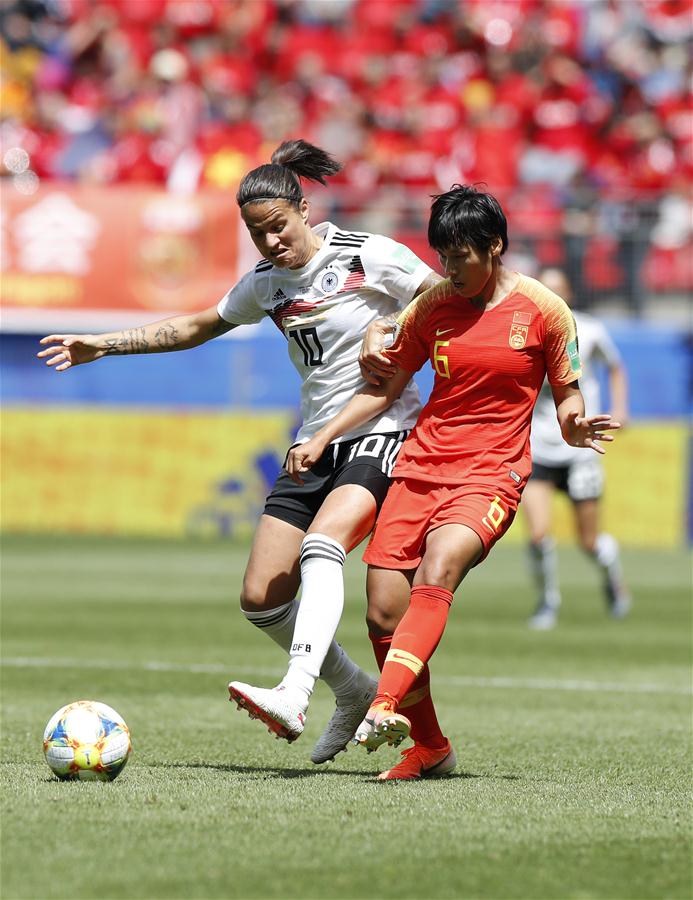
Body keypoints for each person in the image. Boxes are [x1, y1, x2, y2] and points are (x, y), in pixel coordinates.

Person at [37, 139, 442, 764]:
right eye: (258, 234)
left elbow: (442, 296)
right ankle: (352, 688)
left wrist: (389, 325)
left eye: (278, 226)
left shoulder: (369, 255)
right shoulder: (266, 284)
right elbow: (197, 326)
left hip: (383, 428)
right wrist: (105, 344)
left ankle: (295, 691)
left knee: (323, 545)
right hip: (315, 440)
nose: (272, 242)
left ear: (304, 208)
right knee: (262, 598)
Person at [286, 184, 621, 780]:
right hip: (419, 468)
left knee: (440, 567)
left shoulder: (544, 309)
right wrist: (321, 436)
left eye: (460, 255)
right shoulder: (433, 305)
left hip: (492, 473)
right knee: (383, 613)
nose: (449, 268)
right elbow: (385, 386)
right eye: (442, 255)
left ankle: (382, 705)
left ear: (495, 246)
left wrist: (573, 427)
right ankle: (432, 748)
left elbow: (568, 393)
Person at [523, 267, 630, 630]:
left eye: (557, 290)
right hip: (540, 443)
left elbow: (615, 367)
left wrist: (620, 408)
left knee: (588, 541)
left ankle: (612, 578)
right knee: (538, 534)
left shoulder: (591, 329)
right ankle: (547, 603)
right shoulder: (524, 331)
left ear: (568, 293)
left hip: (581, 448)